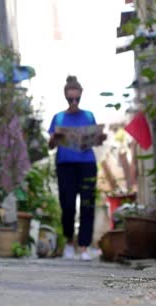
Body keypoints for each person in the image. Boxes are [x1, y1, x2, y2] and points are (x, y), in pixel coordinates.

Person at [48, 75, 106, 261]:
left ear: (81, 96)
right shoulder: (59, 117)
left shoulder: (88, 116)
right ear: (65, 97)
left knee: (87, 204)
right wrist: (54, 138)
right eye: (70, 99)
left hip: (87, 164)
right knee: (67, 205)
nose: (73, 102)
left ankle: (83, 246)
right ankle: (68, 243)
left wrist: (99, 138)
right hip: (65, 165)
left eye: (76, 99)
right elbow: (50, 146)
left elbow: (94, 142)